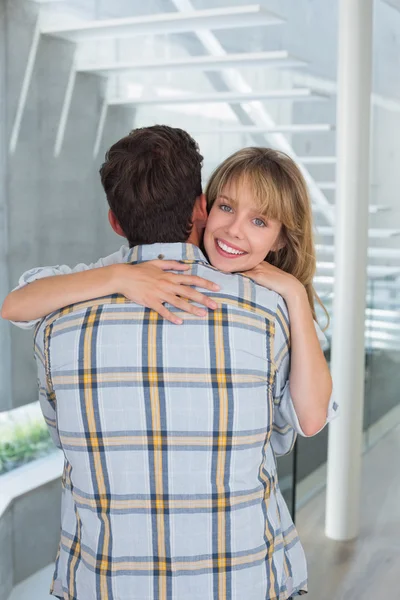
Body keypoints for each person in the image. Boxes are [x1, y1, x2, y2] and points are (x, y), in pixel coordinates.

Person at [1, 126, 336, 599]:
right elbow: (296, 426)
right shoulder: (265, 313)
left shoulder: (61, 314)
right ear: (203, 207)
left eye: (260, 221)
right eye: (227, 207)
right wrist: (122, 277)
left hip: (105, 583)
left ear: (115, 221)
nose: (236, 229)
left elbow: (18, 312)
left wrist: (118, 276)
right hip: (244, 579)